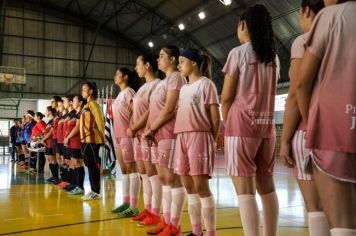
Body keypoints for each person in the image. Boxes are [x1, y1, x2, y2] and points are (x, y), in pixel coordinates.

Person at [295, 0, 356, 235]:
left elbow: (301, 82)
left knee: (343, 225)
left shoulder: (330, 16)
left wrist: (310, 123)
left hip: (334, 129)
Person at [221, 4, 280, 236]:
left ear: (243, 25)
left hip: (241, 127)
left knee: (245, 191)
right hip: (267, 129)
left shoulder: (238, 53)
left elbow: (226, 97)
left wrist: (229, 125)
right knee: (267, 187)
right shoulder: (273, 57)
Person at [279, 1, 329, 236]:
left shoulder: (304, 41)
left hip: (310, 131)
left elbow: (297, 90)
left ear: (306, 11)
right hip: (343, 126)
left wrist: (285, 139)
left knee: (316, 207)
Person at [174, 48, 220, 236]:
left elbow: (215, 119)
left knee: (201, 186)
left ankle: (210, 233)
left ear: (193, 62)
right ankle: (196, 231)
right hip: (181, 137)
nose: (179, 65)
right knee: (188, 186)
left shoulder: (206, 84)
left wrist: (212, 139)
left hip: (200, 136)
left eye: (182, 61)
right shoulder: (183, 88)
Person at [142, 45, 187, 235]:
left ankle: (174, 225)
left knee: (172, 179)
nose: (158, 60)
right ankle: (165, 220)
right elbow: (153, 110)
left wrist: (151, 128)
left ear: (174, 59)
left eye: (162, 56)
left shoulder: (176, 78)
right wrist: (148, 129)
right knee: (163, 178)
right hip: (157, 136)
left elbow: (169, 109)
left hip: (169, 134)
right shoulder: (163, 82)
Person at [111, 68, 141, 215]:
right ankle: (125, 202)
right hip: (117, 135)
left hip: (127, 135)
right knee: (124, 171)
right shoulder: (120, 95)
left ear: (126, 77)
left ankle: (134, 206)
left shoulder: (129, 92)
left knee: (132, 169)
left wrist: (133, 128)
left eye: (117, 74)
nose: (115, 77)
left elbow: (137, 112)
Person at [80, 82, 105, 201]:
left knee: (93, 166)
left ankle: (96, 191)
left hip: (93, 140)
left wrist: (103, 139)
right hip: (85, 140)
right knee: (89, 165)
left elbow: (100, 122)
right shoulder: (86, 106)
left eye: (84, 90)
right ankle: (93, 190)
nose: (82, 92)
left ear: (91, 91)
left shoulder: (94, 105)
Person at [65, 95, 86, 195]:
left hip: (77, 141)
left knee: (78, 162)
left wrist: (68, 137)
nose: (72, 102)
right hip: (72, 142)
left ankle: (80, 187)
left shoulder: (81, 113)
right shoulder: (76, 114)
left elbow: (77, 128)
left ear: (80, 102)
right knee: (74, 163)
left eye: (74, 101)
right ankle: (76, 185)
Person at [42, 106, 58, 183]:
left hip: (51, 143)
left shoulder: (53, 121)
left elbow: (51, 132)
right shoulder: (49, 121)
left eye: (46, 111)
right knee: (49, 159)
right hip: (47, 143)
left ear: (50, 112)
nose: (45, 112)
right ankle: (53, 176)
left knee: (53, 159)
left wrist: (44, 139)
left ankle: (56, 177)